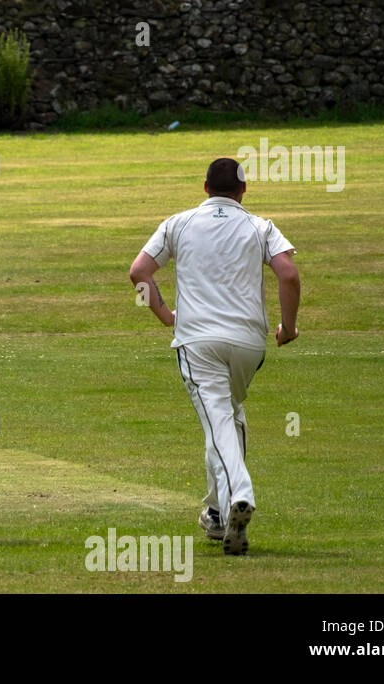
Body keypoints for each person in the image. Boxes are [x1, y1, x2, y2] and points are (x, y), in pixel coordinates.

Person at [128, 157, 301, 555]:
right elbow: (288, 274)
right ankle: (217, 514)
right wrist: (288, 328)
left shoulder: (179, 223)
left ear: (205, 187)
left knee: (218, 420)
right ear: (243, 191)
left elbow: (139, 271)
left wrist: (166, 316)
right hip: (248, 345)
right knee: (228, 416)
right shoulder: (261, 226)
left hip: (198, 343)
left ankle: (239, 497)